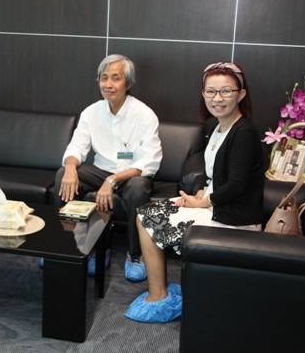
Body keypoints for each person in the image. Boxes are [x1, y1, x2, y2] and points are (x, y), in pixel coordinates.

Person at [125, 61, 264, 322]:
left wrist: (202, 202)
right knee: (146, 214)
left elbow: (236, 184)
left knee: (147, 218)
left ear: (241, 95)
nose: (217, 98)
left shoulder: (244, 131)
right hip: (215, 205)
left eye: (226, 91)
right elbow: (214, 174)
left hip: (234, 218)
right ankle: (160, 293)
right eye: (210, 91)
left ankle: (158, 296)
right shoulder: (219, 127)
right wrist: (201, 193)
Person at [55, 54, 162, 282]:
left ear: (128, 83)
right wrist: (71, 168)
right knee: (63, 173)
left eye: (116, 78)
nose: (108, 84)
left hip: (133, 175)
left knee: (138, 188)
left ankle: (135, 253)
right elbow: (76, 147)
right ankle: (70, 245)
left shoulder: (144, 115)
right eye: (104, 78)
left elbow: (150, 161)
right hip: (101, 171)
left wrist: (113, 180)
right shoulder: (91, 112)